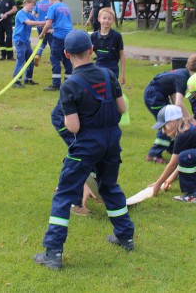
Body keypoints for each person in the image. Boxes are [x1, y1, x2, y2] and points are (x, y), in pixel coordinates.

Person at [34, 29, 134, 270]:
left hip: (87, 144)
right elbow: (122, 108)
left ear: (66, 54)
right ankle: (125, 237)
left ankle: (53, 252)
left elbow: (74, 125)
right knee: (109, 186)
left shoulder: (70, 85)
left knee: (65, 193)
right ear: (92, 50)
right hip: (111, 141)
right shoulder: (108, 74)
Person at [142, 58, 194, 164]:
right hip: (155, 96)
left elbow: (173, 95)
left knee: (173, 120)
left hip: (155, 94)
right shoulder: (183, 79)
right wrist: (189, 118)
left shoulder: (182, 73)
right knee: (169, 123)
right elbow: (179, 102)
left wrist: (178, 113)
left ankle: (172, 148)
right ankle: (154, 154)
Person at [38, 0, 73, 91]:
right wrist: (53, 30)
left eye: (49, 0)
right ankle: (68, 83)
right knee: (67, 59)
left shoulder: (52, 7)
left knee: (55, 59)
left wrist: (42, 34)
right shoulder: (65, 6)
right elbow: (65, 22)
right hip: (68, 36)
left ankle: (56, 85)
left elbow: (48, 23)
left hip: (58, 37)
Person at [11, 0, 46, 87]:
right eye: (32, 5)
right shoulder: (20, 13)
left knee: (30, 60)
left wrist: (48, 28)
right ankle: (16, 81)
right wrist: (44, 23)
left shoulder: (30, 14)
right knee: (21, 60)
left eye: (34, 6)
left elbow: (37, 23)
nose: (33, 7)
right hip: (19, 40)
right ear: (26, 3)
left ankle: (28, 79)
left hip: (26, 41)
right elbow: (29, 23)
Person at [91, 7, 126, 84]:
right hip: (98, 68)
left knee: (111, 91)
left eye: (109, 19)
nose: (106, 21)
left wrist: (123, 74)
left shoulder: (117, 36)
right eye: (104, 18)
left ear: (113, 20)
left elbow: (122, 55)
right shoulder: (93, 36)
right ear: (99, 19)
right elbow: (87, 54)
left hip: (112, 69)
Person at [32, 0, 51, 67]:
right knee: (52, 43)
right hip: (49, 25)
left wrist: (36, 20)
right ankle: (53, 59)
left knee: (42, 42)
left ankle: (38, 55)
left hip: (39, 24)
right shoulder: (51, 3)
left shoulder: (38, 3)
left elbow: (33, 13)